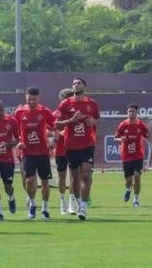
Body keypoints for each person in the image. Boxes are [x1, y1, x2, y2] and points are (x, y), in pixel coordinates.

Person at [56, 77, 100, 220]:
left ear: (84, 86)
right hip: (71, 145)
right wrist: (71, 120)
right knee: (75, 179)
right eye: (74, 83)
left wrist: (93, 121)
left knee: (86, 175)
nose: (75, 85)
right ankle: (76, 201)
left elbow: (98, 119)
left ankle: (83, 207)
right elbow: (58, 125)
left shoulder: (92, 104)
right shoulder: (65, 104)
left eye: (78, 83)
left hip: (87, 144)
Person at [14, 87, 56, 220]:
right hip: (27, 152)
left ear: (39, 98)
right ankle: (32, 204)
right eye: (29, 98)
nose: (32, 101)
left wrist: (54, 141)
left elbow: (55, 128)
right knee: (30, 180)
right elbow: (14, 131)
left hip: (43, 152)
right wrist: (18, 142)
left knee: (45, 182)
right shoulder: (20, 112)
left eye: (34, 99)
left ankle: (45, 207)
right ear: (25, 97)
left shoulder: (45, 111)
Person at [114, 104, 149, 207]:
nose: (131, 113)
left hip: (138, 155)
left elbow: (147, 136)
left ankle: (136, 199)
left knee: (137, 176)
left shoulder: (141, 125)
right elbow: (115, 137)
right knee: (128, 181)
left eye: (133, 111)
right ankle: (128, 189)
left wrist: (145, 140)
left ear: (136, 113)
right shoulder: (123, 125)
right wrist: (120, 139)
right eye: (129, 111)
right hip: (126, 156)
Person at [53, 88, 75, 215]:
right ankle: (62, 201)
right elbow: (50, 128)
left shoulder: (76, 113)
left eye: (70, 97)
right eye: (65, 97)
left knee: (74, 176)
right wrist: (56, 136)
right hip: (60, 150)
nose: (67, 100)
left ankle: (72, 203)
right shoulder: (55, 114)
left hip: (74, 149)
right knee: (62, 176)